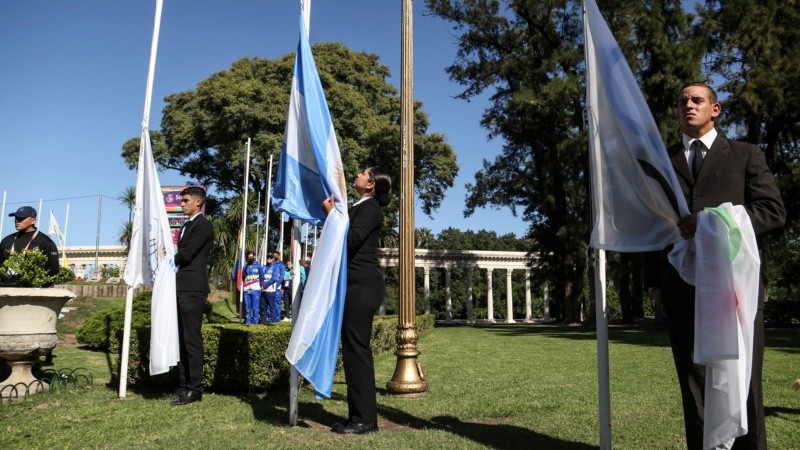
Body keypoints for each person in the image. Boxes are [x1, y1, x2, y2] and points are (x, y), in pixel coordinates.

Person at [644, 82, 785, 449]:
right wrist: (654, 283)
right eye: (682, 101)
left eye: (697, 100)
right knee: (695, 389)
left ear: (715, 108)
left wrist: (708, 221)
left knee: (745, 383)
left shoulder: (745, 155)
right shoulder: (663, 161)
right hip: (680, 287)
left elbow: (772, 212)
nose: (688, 105)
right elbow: (654, 225)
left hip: (736, 289)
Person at [324, 167, 391, 435]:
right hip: (354, 285)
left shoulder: (370, 208)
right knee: (352, 352)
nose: (358, 175)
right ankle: (358, 417)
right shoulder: (359, 207)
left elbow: (350, 239)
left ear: (371, 185)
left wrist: (331, 216)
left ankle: (365, 420)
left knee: (357, 352)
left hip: (362, 286)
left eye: (363, 173)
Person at [172, 187, 214, 406]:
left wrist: (169, 259)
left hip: (193, 288)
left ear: (198, 202)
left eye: (186, 201)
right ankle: (183, 385)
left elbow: (187, 254)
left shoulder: (203, 226)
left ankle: (195, 388)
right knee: (181, 339)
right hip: (181, 286)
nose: (182, 204)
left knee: (191, 339)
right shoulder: (187, 225)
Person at [0, 206, 60, 284]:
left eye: (21, 218)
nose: (17, 221)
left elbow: (53, 271)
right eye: (16, 218)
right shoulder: (6, 240)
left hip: (33, 290)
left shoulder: (46, 242)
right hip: (7, 288)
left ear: (33, 221)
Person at [239, 250, 264, 325]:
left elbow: (262, 277)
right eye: (249, 257)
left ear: (254, 256)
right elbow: (243, 278)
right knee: (247, 308)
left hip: (255, 290)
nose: (250, 258)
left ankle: (255, 323)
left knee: (255, 308)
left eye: (251, 256)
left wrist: (261, 286)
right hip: (246, 290)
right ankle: (248, 323)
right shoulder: (245, 266)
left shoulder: (258, 266)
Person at [262, 251, 284, 323]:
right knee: (265, 306)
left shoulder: (279, 266)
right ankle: (266, 320)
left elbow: (280, 278)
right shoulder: (265, 267)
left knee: (275, 305)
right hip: (265, 289)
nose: (269, 258)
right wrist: (262, 287)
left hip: (274, 289)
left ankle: (276, 320)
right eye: (268, 257)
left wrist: (275, 286)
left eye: (271, 257)